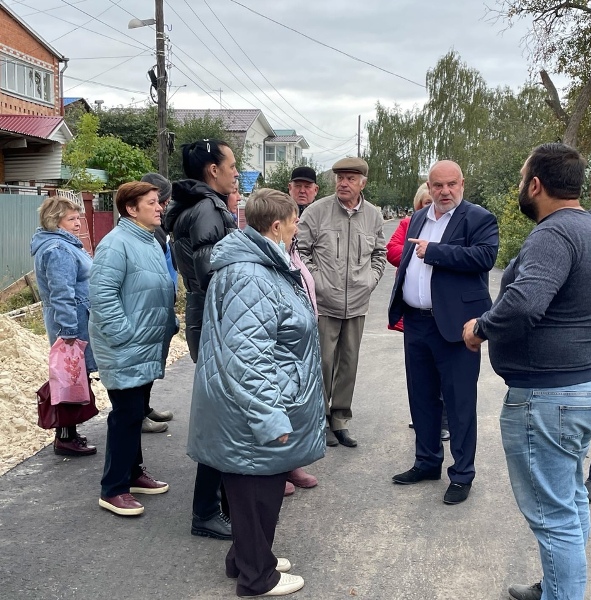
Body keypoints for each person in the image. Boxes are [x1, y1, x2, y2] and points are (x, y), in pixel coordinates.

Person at [462, 143, 591, 600]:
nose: (521, 186)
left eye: (522, 179)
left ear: (536, 185)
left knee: (555, 517)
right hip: (577, 392)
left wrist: (481, 327)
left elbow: (524, 303)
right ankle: (558, 586)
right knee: (571, 501)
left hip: (547, 399)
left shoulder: (553, 234)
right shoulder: (586, 228)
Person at [187, 188, 325, 598]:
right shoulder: (250, 274)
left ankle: (246, 556)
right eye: (295, 220)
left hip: (253, 401)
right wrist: (269, 416)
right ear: (277, 225)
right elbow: (246, 356)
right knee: (255, 491)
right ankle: (256, 577)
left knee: (254, 492)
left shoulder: (260, 264)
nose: (298, 226)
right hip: (250, 407)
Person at [388, 160, 498, 505]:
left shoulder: (478, 218)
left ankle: (462, 474)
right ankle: (427, 462)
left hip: (457, 326)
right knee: (421, 397)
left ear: (462, 183)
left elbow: (484, 257)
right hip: (417, 322)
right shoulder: (419, 217)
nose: (445, 191)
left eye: (451, 184)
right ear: (429, 186)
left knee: (459, 402)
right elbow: (407, 261)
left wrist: (435, 252)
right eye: (438, 185)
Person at [164, 139, 238, 540]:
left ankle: (224, 502)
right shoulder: (208, 207)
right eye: (231, 165)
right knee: (221, 417)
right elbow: (216, 273)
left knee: (222, 412)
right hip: (214, 314)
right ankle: (207, 511)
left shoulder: (198, 205)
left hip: (205, 311)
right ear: (212, 170)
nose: (235, 171)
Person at [89, 181, 177, 517]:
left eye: (159, 203)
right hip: (125, 347)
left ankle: (134, 472)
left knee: (136, 412)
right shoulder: (116, 245)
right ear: (131, 208)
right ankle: (113, 488)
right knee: (125, 416)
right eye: (152, 203)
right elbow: (103, 297)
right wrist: (125, 336)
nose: (160, 208)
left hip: (146, 345)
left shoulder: (148, 240)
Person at [298, 157, 386, 448]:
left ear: (363, 182)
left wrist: (370, 281)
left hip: (357, 303)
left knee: (349, 363)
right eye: (339, 178)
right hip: (324, 302)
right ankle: (319, 418)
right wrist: (317, 282)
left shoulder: (373, 215)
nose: (343, 183)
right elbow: (299, 250)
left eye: (350, 178)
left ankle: (340, 420)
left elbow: (379, 254)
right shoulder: (317, 211)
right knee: (322, 362)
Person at [31, 196, 97, 456]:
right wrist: (69, 332)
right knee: (70, 378)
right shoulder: (58, 249)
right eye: (71, 219)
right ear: (54, 221)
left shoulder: (61, 244)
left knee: (73, 378)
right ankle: (66, 437)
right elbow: (62, 293)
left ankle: (69, 434)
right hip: (72, 322)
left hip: (74, 319)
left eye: (78, 218)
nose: (78, 223)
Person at [385, 183, 450, 442]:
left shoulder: (451, 225)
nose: (428, 206)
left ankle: (444, 420)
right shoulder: (409, 224)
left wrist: (433, 252)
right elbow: (392, 251)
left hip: (444, 313)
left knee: (444, 373)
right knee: (420, 375)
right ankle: (423, 420)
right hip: (414, 314)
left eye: (430, 201)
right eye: (424, 202)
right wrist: (420, 252)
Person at [283, 166, 321, 494]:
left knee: (298, 400)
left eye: (308, 186)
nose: (303, 190)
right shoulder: (274, 249)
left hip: (304, 330)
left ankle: (291, 462)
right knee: (281, 400)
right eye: (298, 186)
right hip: (285, 336)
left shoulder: (292, 244)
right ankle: (276, 468)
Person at [138, 172, 177, 434]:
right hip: (150, 310)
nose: (162, 207)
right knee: (145, 362)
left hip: (162, 307)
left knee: (154, 361)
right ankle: (138, 413)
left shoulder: (158, 228)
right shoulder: (145, 233)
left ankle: (144, 406)